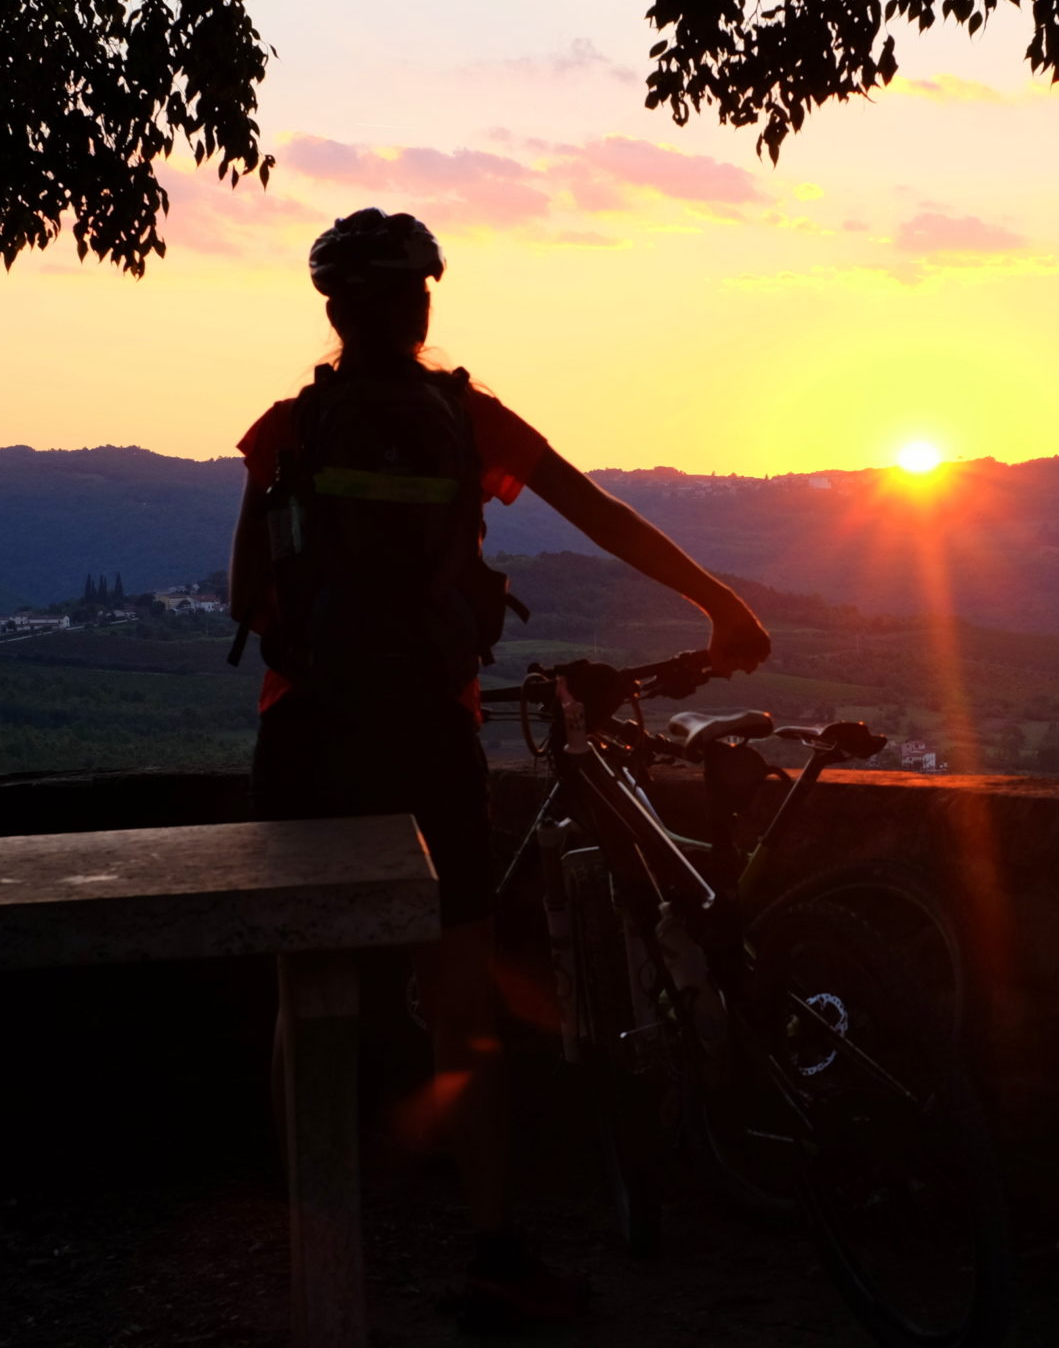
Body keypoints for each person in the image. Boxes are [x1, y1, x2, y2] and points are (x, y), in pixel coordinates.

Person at [228, 208, 769, 1322]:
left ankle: (309, 1256)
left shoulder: (284, 429)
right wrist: (717, 601)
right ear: (425, 304)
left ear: (331, 313)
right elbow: (597, 511)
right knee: (461, 1001)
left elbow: (251, 601)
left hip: (308, 735)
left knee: (306, 1000)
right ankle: (491, 1247)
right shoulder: (466, 418)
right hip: (431, 735)